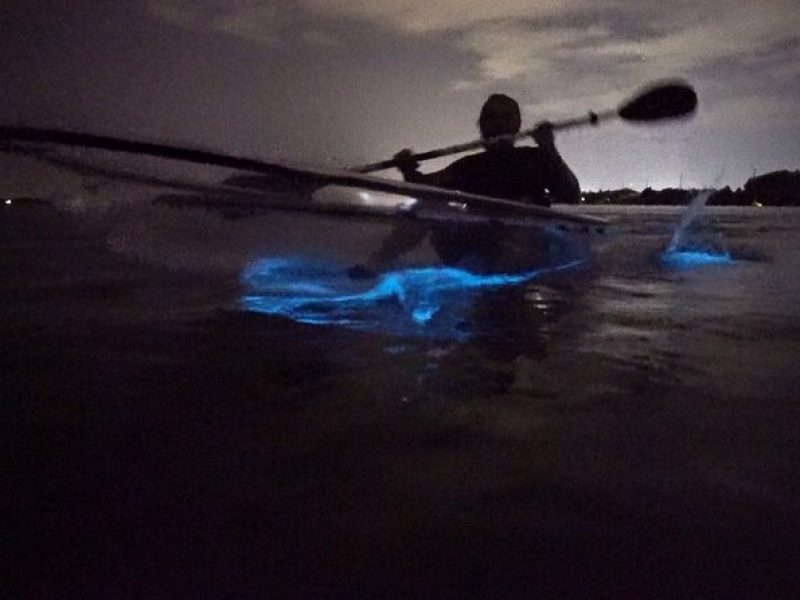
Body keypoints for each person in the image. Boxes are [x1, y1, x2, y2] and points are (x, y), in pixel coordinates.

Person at [349, 93, 581, 277]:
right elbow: (425, 188)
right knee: (429, 204)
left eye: (505, 117)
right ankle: (376, 265)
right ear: (481, 126)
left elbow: (572, 195)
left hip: (524, 248)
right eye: (490, 118)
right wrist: (408, 169)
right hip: (476, 247)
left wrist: (549, 148)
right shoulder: (468, 165)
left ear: (517, 125)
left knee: (527, 228)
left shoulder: (537, 157)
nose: (497, 123)